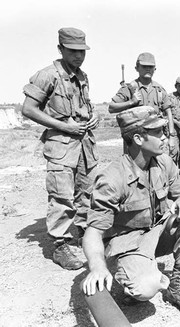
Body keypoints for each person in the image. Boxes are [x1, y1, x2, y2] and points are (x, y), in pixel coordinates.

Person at [81, 106, 180, 317]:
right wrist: (96, 267)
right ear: (138, 139)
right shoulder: (112, 178)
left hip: (155, 232)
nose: (165, 137)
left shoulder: (163, 162)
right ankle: (130, 274)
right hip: (126, 243)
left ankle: (176, 286)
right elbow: (93, 232)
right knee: (145, 288)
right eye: (158, 132)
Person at [21, 27, 99, 270]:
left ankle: (86, 232)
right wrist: (64, 127)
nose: (78, 56)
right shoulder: (47, 75)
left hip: (85, 144)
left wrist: (93, 117)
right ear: (60, 49)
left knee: (87, 190)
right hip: (61, 145)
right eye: (73, 51)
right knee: (61, 194)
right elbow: (28, 109)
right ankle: (60, 245)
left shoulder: (82, 76)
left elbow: (85, 107)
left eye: (82, 52)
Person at [108, 52, 174, 153]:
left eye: (150, 67)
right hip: (135, 139)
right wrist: (131, 102)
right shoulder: (130, 88)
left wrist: (172, 136)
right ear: (137, 68)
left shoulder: (159, 90)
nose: (148, 69)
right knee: (133, 167)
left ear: (155, 69)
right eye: (144, 66)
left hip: (155, 138)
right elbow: (112, 107)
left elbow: (168, 112)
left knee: (157, 166)